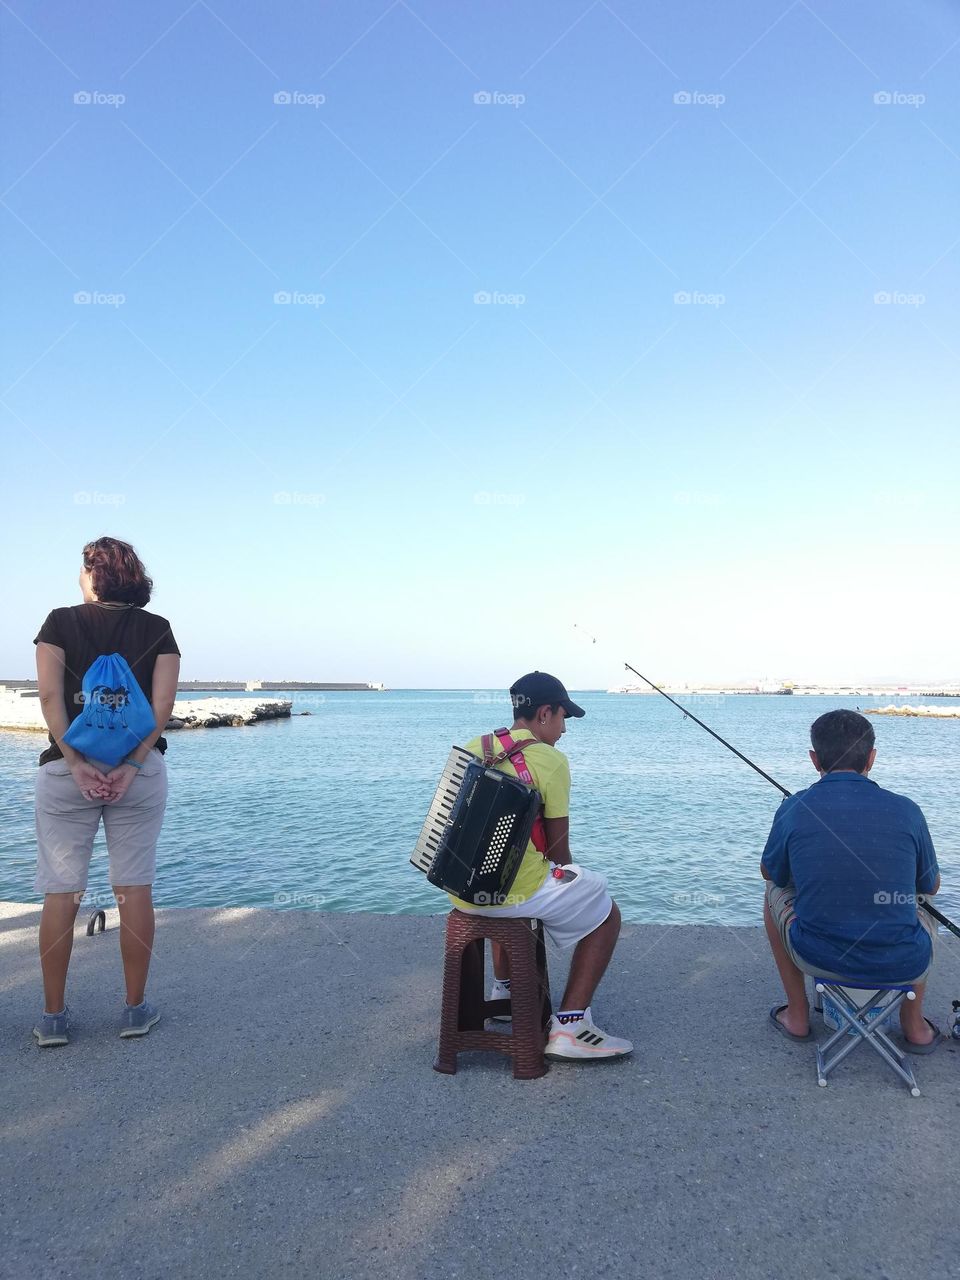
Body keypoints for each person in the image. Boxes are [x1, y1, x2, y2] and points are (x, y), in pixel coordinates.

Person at [31, 537, 181, 1046]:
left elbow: (49, 696)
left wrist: (75, 763)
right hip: (137, 772)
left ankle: (53, 1018)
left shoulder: (59, 622)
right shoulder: (158, 629)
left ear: (94, 574)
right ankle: (135, 1010)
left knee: (62, 891)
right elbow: (162, 707)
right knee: (133, 888)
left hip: (65, 773)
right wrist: (133, 765)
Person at [453, 671, 632, 1061]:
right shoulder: (550, 760)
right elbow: (558, 850)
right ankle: (570, 1027)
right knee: (606, 912)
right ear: (545, 713)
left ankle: (505, 990)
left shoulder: (474, 746)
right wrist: (572, 885)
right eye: (563, 717)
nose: (564, 729)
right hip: (513, 894)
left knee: (508, 882)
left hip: (462, 890)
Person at [761, 708, 942, 1052]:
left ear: (815, 759)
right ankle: (914, 1024)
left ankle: (797, 1015)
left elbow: (772, 874)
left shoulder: (795, 807)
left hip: (816, 956)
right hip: (905, 960)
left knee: (772, 892)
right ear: (871, 758)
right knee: (923, 898)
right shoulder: (908, 810)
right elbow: (930, 885)